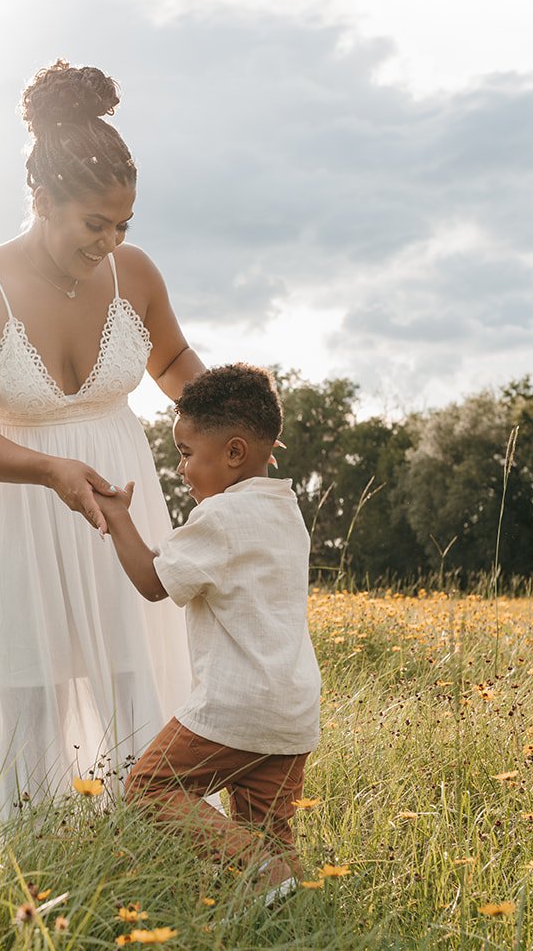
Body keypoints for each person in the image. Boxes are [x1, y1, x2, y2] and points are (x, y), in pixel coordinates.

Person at [0, 60, 204, 857]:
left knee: (131, 675)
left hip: (119, 502)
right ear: (41, 200)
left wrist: (228, 415)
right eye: (94, 223)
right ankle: (28, 858)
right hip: (17, 505)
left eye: (124, 223)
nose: (111, 241)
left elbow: (175, 361)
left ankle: (154, 852)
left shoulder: (135, 274)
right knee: (30, 694)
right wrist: (51, 471)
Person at [95, 363, 321, 900]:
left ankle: (261, 870)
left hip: (237, 705)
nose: (181, 468)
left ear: (235, 453)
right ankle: (281, 899)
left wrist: (118, 517)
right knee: (267, 834)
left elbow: (155, 581)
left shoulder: (218, 518)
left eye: (186, 453)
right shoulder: (286, 510)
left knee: (149, 790)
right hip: (292, 708)